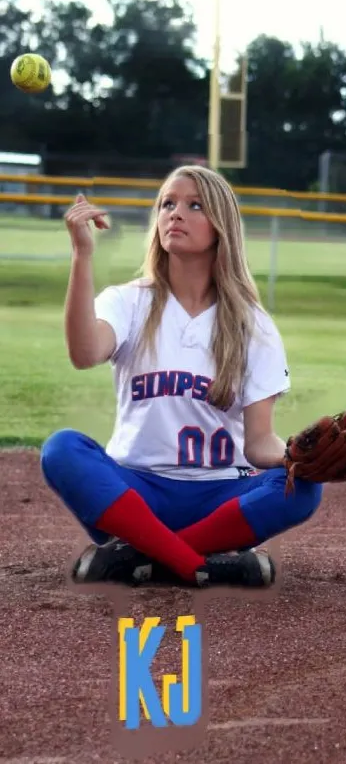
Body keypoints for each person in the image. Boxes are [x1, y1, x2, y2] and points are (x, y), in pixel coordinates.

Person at [40, 165, 323, 590]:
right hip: (136, 493)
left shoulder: (252, 324)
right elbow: (83, 354)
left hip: (220, 497)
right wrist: (83, 256)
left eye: (194, 206)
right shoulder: (130, 301)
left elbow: (260, 442)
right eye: (168, 204)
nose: (176, 213)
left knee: (304, 488)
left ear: (221, 227)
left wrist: (302, 458)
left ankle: (142, 555)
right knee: (62, 449)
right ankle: (198, 564)